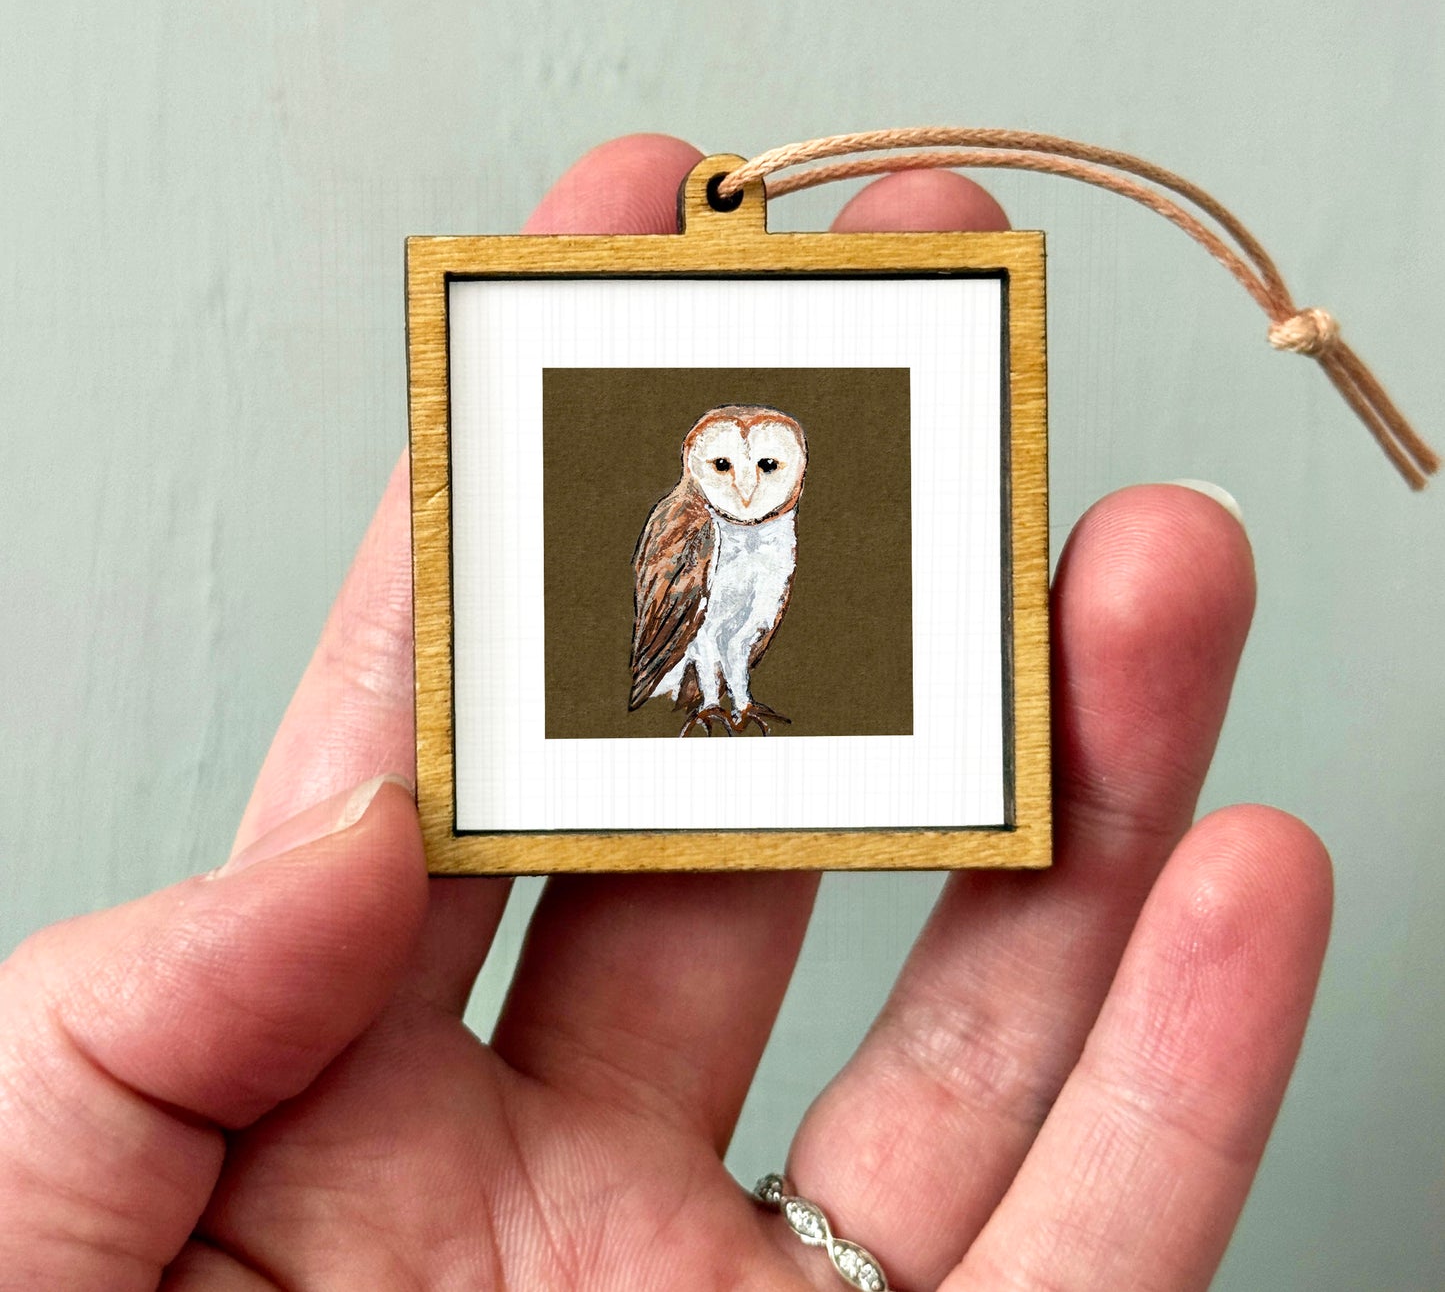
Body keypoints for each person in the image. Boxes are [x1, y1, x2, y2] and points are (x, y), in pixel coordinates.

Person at [0, 135, 1332, 1291]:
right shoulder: (686, 528)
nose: (746, 483)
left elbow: (753, 611)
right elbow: (690, 613)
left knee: (764, 649)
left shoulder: (779, 531)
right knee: (714, 648)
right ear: (696, 466)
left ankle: (731, 708)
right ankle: (712, 707)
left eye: (765, 464)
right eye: (726, 464)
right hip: (671, 681)